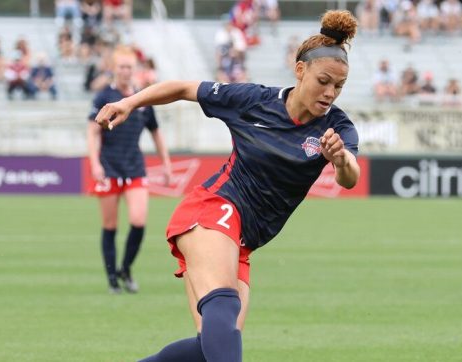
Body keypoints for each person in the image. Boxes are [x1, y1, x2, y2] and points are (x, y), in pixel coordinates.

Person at [94, 10, 360, 362]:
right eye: (323, 81)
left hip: (242, 240)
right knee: (224, 310)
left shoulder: (338, 128)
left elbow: (350, 176)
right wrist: (129, 102)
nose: (330, 93)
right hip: (212, 209)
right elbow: (183, 88)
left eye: (338, 86)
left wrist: (340, 159)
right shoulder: (254, 100)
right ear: (300, 71)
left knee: (212, 347)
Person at [86, 46, 172, 294]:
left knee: (138, 220)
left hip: (135, 167)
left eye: (129, 67)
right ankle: (112, 277)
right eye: (121, 67)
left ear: (135, 70)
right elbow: (92, 131)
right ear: (114, 69)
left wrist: (165, 162)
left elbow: (156, 132)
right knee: (110, 225)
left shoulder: (142, 100)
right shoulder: (104, 97)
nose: (125, 71)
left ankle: (125, 268)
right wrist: (95, 163)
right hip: (110, 167)